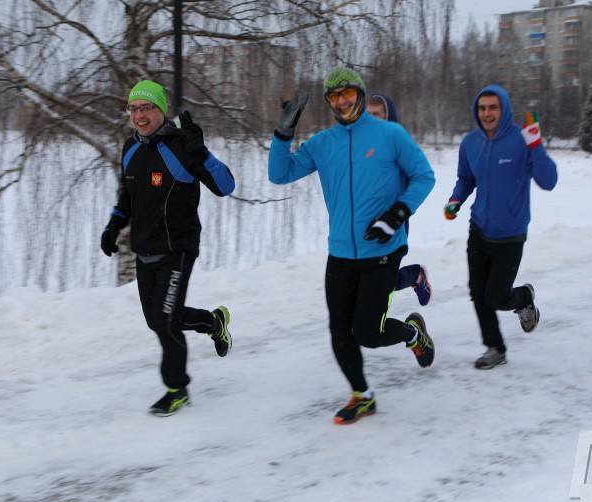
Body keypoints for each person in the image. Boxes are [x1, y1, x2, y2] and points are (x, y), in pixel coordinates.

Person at [268, 67, 437, 425]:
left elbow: (424, 176)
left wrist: (397, 214)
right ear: (329, 102)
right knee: (339, 331)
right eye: (334, 96)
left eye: (347, 93)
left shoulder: (390, 134)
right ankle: (362, 396)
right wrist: (283, 134)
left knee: (368, 334)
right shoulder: (322, 144)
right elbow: (280, 174)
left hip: (383, 251)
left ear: (359, 93)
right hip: (341, 253)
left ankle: (411, 332)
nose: (342, 100)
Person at [100, 80, 236, 416]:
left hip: (179, 247)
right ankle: (212, 322)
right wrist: (113, 225)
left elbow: (225, 185)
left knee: (165, 321)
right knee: (158, 320)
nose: (139, 115)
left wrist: (201, 153)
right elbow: (127, 198)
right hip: (145, 248)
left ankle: (177, 388)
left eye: (146, 107)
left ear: (161, 110)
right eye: (133, 108)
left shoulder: (182, 145)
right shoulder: (129, 149)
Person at [444, 84, 558, 370]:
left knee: (495, 296)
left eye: (492, 107)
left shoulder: (522, 140)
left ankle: (525, 298)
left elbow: (549, 181)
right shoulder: (470, 142)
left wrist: (536, 146)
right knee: (477, 292)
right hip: (479, 229)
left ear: (504, 108)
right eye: (482, 108)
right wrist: (456, 199)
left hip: (511, 234)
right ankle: (495, 348)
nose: (487, 113)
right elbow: (466, 178)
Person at [366, 93, 432, 306]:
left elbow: (421, 178)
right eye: (368, 114)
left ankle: (415, 276)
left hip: (394, 221)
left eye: (377, 114)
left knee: (381, 282)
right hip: (366, 222)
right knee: (366, 279)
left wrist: (399, 211)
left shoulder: (399, 144)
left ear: (389, 116)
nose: (372, 118)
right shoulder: (363, 145)